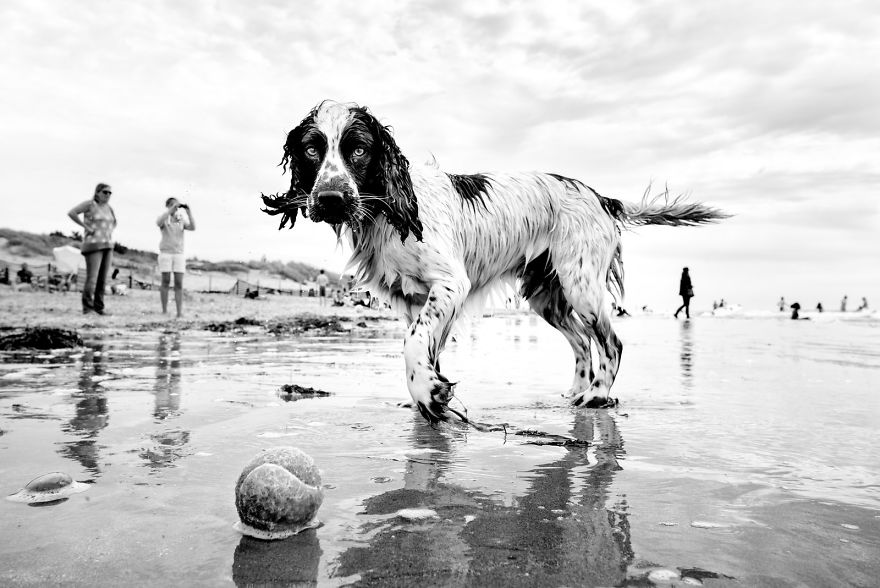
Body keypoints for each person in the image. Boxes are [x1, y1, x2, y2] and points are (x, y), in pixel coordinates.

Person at [68, 183, 117, 315]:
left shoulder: (109, 208)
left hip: (108, 245)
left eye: (110, 193)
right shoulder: (90, 204)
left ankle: (99, 307)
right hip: (93, 245)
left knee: (102, 279)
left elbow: (114, 222)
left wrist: (108, 232)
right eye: (105, 192)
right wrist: (86, 227)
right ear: (97, 192)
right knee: (92, 278)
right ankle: (87, 308)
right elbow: (72, 213)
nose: (107, 195)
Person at [156, 198, 196, 318]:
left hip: (179, 254)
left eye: (176, 205)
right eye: (172, 204)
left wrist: (189, 212)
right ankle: (164, 310)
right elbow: (158, 222)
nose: (175, 207)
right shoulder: (165, 218)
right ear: (167, 205)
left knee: (179, 283)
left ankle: (179, 312)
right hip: (166, 253)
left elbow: (193, 227)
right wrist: (170, 211)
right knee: (165, 281)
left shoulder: (180, 219)